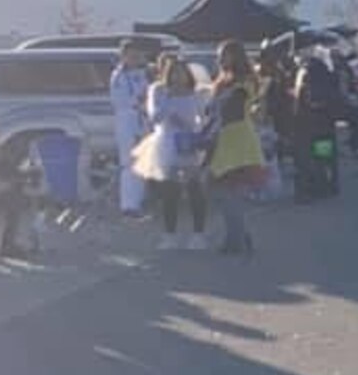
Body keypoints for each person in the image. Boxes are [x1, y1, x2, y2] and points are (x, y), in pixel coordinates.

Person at [135, 53, 209, 249]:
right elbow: (154, 117)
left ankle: (198, 234)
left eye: (182, 73)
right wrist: (169, 104)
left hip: (190, 143)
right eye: (174, 73)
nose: (179, 77)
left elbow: (203, 118)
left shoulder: (197, 93)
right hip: (167, 144)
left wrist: (196, 129)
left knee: (195, 190)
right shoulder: (159, 91)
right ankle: (169, 235)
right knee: (170, 192)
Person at [203, 41, 266, 256]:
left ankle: (236, 240)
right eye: (219, 55)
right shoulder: (223, 81)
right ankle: (239, 236)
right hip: (223, 138)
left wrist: (214, 119)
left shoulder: (243, 82)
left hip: (236, 139)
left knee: (230, 191)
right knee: (223, 191)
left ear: (236, 56)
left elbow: (233, 111)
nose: (221, 60)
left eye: (225, 55)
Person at [291, 50, 342, 202]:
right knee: (324, 156)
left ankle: (305, 191)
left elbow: (301, 99)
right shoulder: (326, 73)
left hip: (307, 124)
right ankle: (328, 185)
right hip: (324, 124)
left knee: (305, 158)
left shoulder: (303, 73)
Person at [109, 41, 150, 214]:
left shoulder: (143, 74)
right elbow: (120, 101)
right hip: (127, 120)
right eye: (130, 55)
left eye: (137, 55)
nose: (134, 59)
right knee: (129, 163)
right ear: (123, 56)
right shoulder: (119, 76)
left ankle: (139, 201)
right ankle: (128, 205)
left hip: (142, 120)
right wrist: (139, 99)